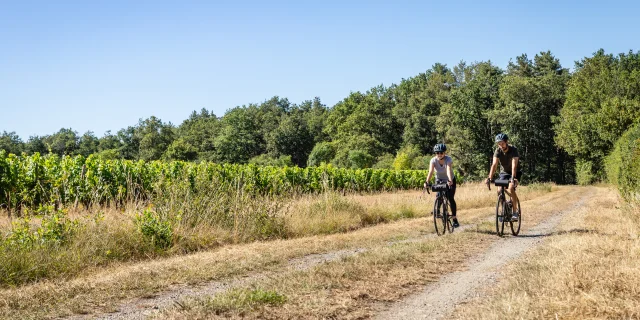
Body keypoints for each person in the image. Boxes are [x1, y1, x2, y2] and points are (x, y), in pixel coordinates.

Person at [485, 133, 522, 220]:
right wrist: (489, 177)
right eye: (499, 144)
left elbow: (514, 165)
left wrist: (513, 178)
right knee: (499, 190)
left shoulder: (513, 150)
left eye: (502, 143)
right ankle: (504, 209)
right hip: (504, 173)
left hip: (515, 172)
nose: (501, 145)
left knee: (511, 187)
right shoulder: (498, 151)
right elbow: (494, 164)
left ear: (506, 142)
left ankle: (514, 212)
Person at [424, 143, 458, 227]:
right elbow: (431, 171)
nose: (439, 154)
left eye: (441, 153)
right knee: (438, 196)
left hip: (450, 179)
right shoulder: (433, 160)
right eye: (437, 153)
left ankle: (454, 219)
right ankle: (438, 211)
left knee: (450, 198)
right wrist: (427, 182)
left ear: (444, 153)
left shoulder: (448, 159)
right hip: (439, 180)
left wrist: (450, 180)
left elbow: (448, 170)